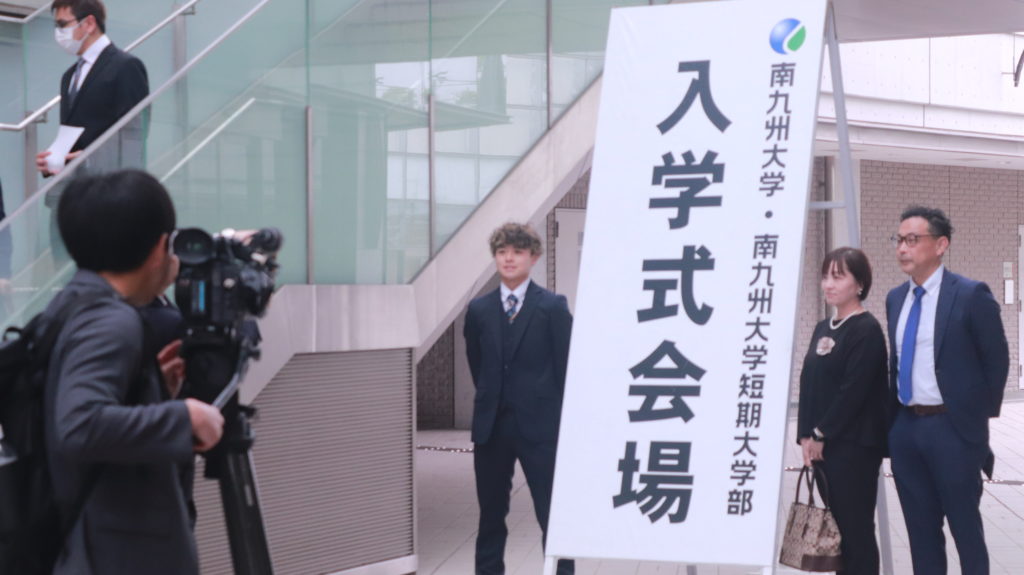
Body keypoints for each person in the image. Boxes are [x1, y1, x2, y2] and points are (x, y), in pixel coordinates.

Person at [43, 169, 223, 574]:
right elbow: (79, 424)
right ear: (160, 247)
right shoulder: (111, 321)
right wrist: (185, 417)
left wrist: (151, 390)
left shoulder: (72, 304)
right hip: (113, 555)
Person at [885, 206, 1008, 575]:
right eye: (899, 240)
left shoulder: (970, 295)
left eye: (912, 240)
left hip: (953, 430)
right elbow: (896, 362)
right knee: (921, 533)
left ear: (941, 245)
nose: (902, 248)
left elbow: (996, 360)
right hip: (907, 428)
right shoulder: (896, 299)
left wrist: (973, 422)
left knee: (965, 530)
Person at [463, 223, 574, 575]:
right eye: (502, 252)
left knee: (551, 513)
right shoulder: (478, 310)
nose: (509, 258)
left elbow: (566, 367)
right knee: (490, 515)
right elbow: (477, 363)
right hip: (492, 427)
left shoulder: (553, 307)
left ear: (533, 257)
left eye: (517, 252)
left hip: (541, 428)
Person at [797, 247, 888, 575]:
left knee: (856, 531)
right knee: (838, 531)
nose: (828, 284)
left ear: (860, 284)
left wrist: (822, 432)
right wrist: (805, 435)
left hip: (854, 448)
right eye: (825, 276)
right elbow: (809, 383)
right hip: (824, 448)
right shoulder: (823, 327)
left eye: (838, 276)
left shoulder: (866, 329)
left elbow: (854, 391)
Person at [36, 0, 149, 179]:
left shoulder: (125, 66)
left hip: (110, 184)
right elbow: (73, 135)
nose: (58, 33)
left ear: (89, 23)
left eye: (63, 24)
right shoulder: (69, 76)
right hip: (74, 186)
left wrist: (91, 160)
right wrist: (54, 160)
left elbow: (133, 137)